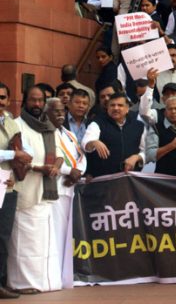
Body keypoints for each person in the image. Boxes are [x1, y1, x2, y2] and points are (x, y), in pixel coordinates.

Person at [9, 86, 64, 294]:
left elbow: (58, 153)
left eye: (41, 100)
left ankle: (47, 282)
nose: (37, 104)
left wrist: (56, 166)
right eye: (33, 100)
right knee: (25, 242)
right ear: (24, 102)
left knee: (44, 243)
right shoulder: (16, 125)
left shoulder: (48, 126)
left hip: (46, 191)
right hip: (25, 190)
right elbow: (15, 158)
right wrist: (39, 168)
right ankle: (22, 283)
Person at [46, 98, 84, 290]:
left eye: (62, 111)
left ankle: (65, 275)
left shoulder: (69, 134)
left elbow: (81, 157)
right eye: (56, 111)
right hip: (57, 188)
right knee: (57, 234)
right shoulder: (46, 132)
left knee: (67, 235)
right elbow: (50, 159)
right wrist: (69, 172)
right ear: (47, 113)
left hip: (71, 187)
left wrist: (78, 174)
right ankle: (55, 277)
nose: (60, 114)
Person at [0, 82, 30, 299]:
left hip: (8, 186)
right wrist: (14, 156)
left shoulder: (12, 123)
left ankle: (2, 282)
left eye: (2, 97)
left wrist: (23, 157)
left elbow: (23, 148)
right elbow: (14, 154)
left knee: (3, 236)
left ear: (8, 100)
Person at [82, 92, 152, 177]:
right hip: (104, 179)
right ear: (107, 107)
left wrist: (137, 157)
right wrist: (94, 142)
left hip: (130, 179)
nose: (116, 108)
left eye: (120, 105)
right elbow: (85, 143)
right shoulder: (97, 123)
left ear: (127, 109)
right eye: (112, 105)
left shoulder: (138, 126)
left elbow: (147, 151)